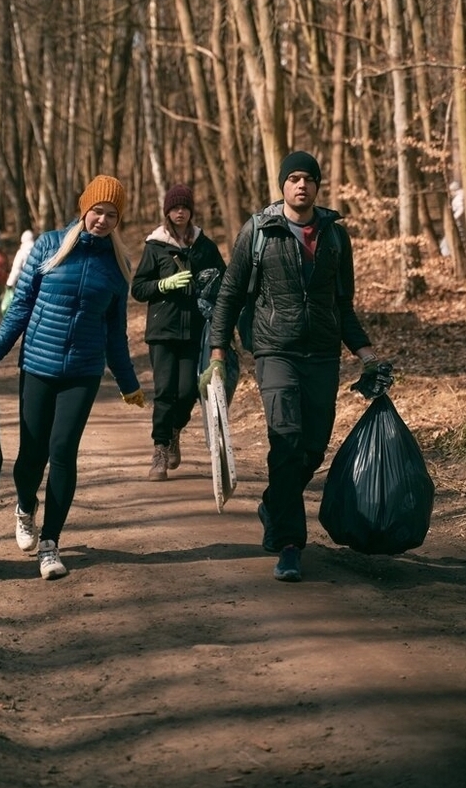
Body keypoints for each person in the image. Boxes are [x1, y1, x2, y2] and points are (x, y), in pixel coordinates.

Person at [199, 150, 393, 583]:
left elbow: (344, 305)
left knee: (313, 447)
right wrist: (217, 353)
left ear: (317, 187)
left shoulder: (336, 238)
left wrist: (366, 355)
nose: (301, 185)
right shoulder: (259, 230)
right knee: (286, 441)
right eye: (294, 179)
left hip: (322, 355)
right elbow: (229, 295)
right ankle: (289, 545)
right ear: (282, 185)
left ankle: (273, 502)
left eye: (308, 179)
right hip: (274, 351)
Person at [0, 175, 146, 580]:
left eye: (112, 214)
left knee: (63, 451)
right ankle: (24, 507)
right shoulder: (49, 247)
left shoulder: (118, 266)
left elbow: (114, 333)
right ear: (84, 209)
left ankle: (50, 544)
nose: (102, 220)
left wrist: (127, 381)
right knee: (32, 454)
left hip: (83, 373)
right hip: (37, 366)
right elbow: (19, 309)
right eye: (97, 211)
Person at [131, 183, 226, 480]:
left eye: (184, 207)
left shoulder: (204, 246)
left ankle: (174, 432)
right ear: (167, 212)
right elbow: (138, 288)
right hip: (162, 329)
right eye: (174, 208)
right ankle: (159, 450)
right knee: (164, 392)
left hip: (194, 330)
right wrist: (163, 285)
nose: (180, 212)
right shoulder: (155, 246)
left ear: (191, 211)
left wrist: (209, 286)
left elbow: (223, 282)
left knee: (187, 391)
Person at [1, 229, 36, 314]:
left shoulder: (21, 252)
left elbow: (16, 270)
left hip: (22, 283)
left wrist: (9, 284)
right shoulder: (38, 251)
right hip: (36, 283)